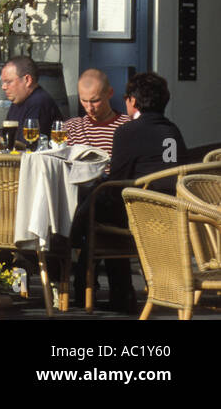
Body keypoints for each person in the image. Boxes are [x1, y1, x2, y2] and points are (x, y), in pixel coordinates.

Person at [72, 72, 186, 313]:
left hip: (141, 211)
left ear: (132, 101)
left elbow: (118, 179)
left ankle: (80, 272)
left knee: (99, 203)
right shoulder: (173, 131)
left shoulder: (128, 131)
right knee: (105, 206)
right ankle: (120, 292)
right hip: (170, 210)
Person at [62, 69, 129, 154]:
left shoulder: (128, 125)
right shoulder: (70, 128)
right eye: (84, 100)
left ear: (110, 93)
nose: (89, 108)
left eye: (95, 101)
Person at [1, 55, 63, 137]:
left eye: (8, 82)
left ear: (27, 80)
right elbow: (6, 136)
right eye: (3, 82)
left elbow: (28, 145)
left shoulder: (39, 102)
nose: (3, 87)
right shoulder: (19, 100)